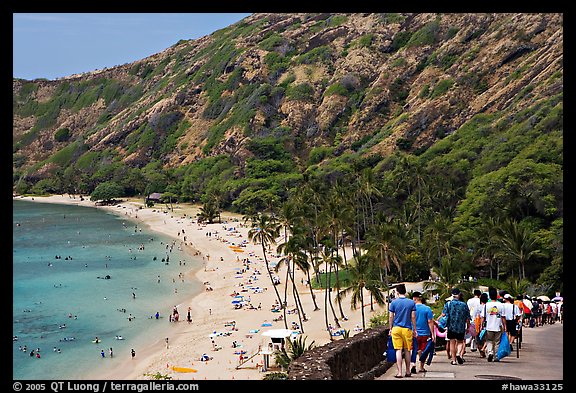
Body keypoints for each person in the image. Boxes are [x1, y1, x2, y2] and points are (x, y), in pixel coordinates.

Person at [388, 284, 417, 378]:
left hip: (396, 328)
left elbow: (391, 316)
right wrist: (415, 329)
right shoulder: (411, 303)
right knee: (407, 350)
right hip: (407, 328)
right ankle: (408, 371)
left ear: (397, 292)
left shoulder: (393, 303)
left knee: (398, 350)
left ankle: (399, 372)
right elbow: (413, 317)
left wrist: (390, 328)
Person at [442, 288, 470, 365]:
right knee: (460, 342)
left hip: (451, 326)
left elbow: (444, 314)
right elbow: (468, 317)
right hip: (461, 326)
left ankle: (454, 360)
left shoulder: (448, 304)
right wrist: (468, 327)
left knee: (452, 343)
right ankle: (458, 354)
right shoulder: (464, 305)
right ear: (459, 294)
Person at [410, 291, 435, 374]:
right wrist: (433, 334)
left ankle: (413, 364)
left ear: (414, 298)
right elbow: (430, 322)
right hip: (425, 333)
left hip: (413, 332)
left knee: (413, 349)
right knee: (423, 350)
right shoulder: (427, 309)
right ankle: (421, 367)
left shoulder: (411, 309)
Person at [481, 287, 506, 362]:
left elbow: (483, 317)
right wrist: (505, 326)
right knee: (497, 342)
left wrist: (482, 325)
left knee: (489, 340)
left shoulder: (486, 305)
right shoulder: (501, 305)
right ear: (497, 296)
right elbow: (503, 317)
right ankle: (496, 356)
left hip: (488, 326)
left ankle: (490, 353)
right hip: (498, 326)